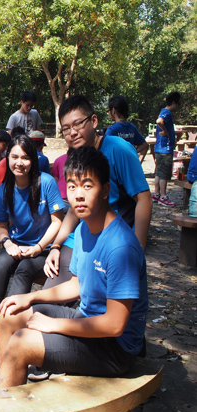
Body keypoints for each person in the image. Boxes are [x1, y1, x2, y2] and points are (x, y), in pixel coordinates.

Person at [0, 146, 148, 388]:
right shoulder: (85, 227)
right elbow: (76, 285)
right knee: (8, 314)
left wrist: (54, 324)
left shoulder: (121, 246)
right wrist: (30, 297)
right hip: (86, 319)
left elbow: (114, 324)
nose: (78, 195)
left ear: (105, 190)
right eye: (72, 186)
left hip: (114, 348)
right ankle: (4, 387)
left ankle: (6, 400)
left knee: (22, 343)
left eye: (87, 186)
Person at [43, 95, 152, 291]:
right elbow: (74, 210)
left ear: (94, 121)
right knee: (49, 292)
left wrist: (137, 252)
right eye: (66, 129)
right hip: (79, 240)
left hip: (112, 242)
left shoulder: (118, 149)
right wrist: (56, 246)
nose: (72, 133)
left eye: (78, 124)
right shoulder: (74, 157)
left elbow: (144, 199)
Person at [0, 134, 64, 354]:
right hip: (16, 244)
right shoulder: (4, 189)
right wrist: (7, 242)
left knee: (24, 269)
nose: (19, 162)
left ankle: (8, 323)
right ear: (7, 158)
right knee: (1, 264)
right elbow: (0, 226)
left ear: (33, 160)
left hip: (44, 248)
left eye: (25, 157)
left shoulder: (46, 182)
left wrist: (38, 248)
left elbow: (58, 221)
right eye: (15, 157)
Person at [153, 91, 182, 207]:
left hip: (159, 148)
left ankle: (156, 194)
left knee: (159, 173)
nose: (178, 107)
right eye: (178, 104)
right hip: (165, 149)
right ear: (174, 103)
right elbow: (159, 121)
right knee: (164, 174)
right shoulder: (167, 113)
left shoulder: (163, 111)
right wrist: (165, 131)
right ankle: (163, 197)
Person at [106, 95, 149, 164]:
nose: (108, 113)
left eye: (108, 111)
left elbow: (105, 152)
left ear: (113, 110)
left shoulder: (112, 130)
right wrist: (137, 164)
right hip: (129, 166)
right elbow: (145, 146)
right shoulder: (132, 128)